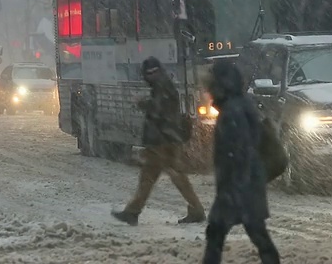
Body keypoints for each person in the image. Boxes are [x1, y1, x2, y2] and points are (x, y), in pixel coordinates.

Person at [111, 56, 205, 226]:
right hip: (166, 139)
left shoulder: (162, 86)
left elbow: (158, 110)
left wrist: (142, 104)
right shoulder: (163, 84)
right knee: (164, 176)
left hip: (162, 141)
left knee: (159, 177)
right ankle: (195, 209)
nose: (148, 78)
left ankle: (133, 212)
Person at [203, 61, 280, 264]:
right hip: (246, 185)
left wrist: (232, 191)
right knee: (256, 233)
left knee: (217, 233)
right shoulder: (239, 103)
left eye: (212, 81)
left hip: (238, 186)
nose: (208, 86)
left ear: (221, 83)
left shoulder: (232, 111)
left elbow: (239, 153)